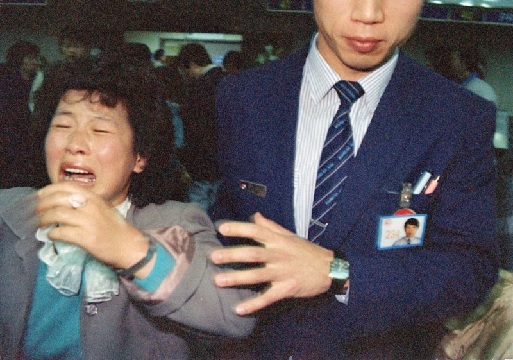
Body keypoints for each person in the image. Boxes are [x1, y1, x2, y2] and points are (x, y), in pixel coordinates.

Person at [210, 0, 499, 358]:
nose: (368, 14)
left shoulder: (457, 117)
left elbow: (469, 268)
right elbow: (229, 221)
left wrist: (337, 272)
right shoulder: (243, 97)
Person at [0, 56, 255, 359]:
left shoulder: (178, 221)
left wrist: (132, 251)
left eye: (100, 130)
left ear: (139, 157)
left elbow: (238, 317)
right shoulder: (11, 210)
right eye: (63, 125)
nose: (75, 144)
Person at [176, 43, 226, 212]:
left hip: (202, 161)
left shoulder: (197, 89)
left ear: (190, 64)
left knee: (198, 211)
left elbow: (195, 129)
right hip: (224, 161)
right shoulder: (227, 80)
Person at [0, 40, 42, 187]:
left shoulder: (38, 80)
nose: (36, 62)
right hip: (9, 131)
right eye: (31, 58)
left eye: (36, 58)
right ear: (20, 60)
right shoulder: (8, 80)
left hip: (29, 130)